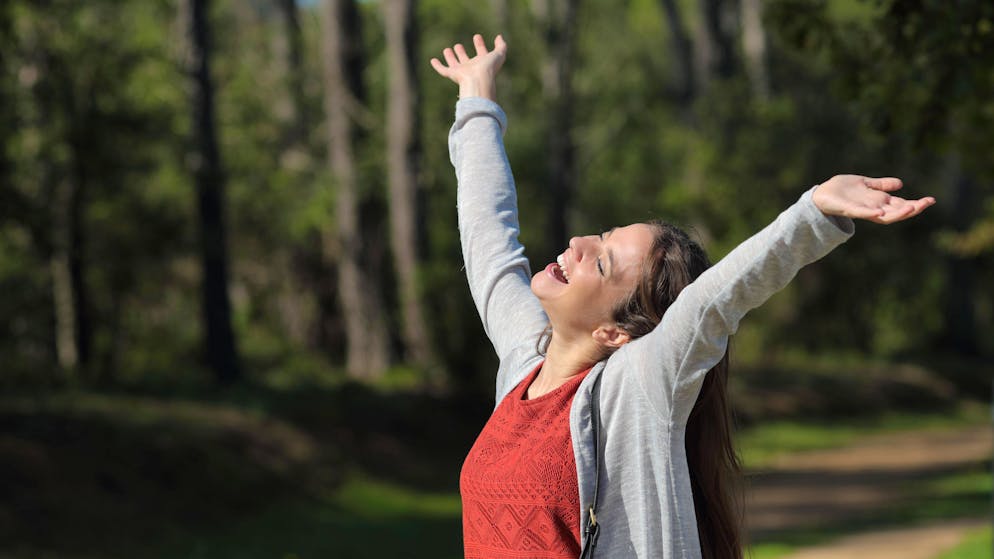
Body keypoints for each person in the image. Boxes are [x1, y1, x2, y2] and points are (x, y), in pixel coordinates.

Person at [431, 34, 935, 559]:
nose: (577, 244)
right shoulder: (522, 363)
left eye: (600, 263)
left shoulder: (638, 388)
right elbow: (489, 239)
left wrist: (814, 213)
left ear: (615, 332)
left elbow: (714, 302)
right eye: (600, 238)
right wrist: (477, 100)